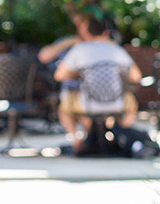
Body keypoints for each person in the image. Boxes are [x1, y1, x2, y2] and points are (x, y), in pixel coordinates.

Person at [53, 14, 141, 152]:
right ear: (106, 33)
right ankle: (121, 133)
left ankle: (76, 140)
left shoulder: (80, 49)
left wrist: (82, 72)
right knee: (131, 102)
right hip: (117, 103)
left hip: (87, 103)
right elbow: (136, 77)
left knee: (64, 107)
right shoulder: (115, 49)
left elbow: (59, 75)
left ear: (86, 34)